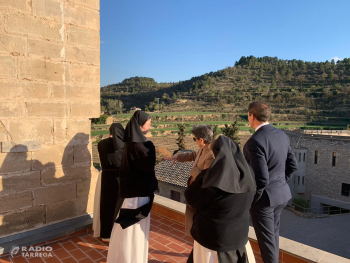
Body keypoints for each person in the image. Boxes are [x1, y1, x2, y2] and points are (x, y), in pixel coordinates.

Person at [185, 135, 256, 263]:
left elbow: (190, 198)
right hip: (239, 237)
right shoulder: (249, 174)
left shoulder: (210, 177)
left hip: (213, 240)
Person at [243, 102, 298, 263]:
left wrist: (255, 199)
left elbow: (261, 178)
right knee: (272, 237)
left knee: (266, 243)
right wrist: (280, 184)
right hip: (281, 196)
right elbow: (293, 165)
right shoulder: (282, 135)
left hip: (264, 200)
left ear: (252, 116)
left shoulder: (255, 141)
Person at [107, 110, 158, 263]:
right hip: (138, 194)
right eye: (148, 124)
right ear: (140, 126)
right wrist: (150, 145)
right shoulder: (141, 146)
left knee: (126, 227)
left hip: (131, 191)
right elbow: (148, 166)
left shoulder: (130, 143)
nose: (150, 127)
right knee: (133, 229)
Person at [164, 124, 215, 236]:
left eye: (194, 139)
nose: (194, 141)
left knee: (199, 224)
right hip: (196, 191)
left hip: (201, 195)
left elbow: (206, 177)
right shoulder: (204, 148)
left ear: (201, 140)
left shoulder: (211, 154)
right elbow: (193, 155)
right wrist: (177, 157)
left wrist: (193, 171)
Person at [93, 123, 124, 242]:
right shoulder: (125, 145)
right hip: (120, 178)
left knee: (106, 205)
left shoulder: (101, 144)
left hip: (105, 177)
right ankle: (117, 234)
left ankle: (106, 234)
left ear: (109, 132)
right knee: (119, 206)